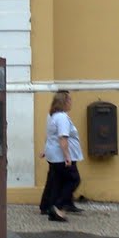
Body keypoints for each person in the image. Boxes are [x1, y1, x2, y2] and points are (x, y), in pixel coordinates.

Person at [39, 90, 84, 222]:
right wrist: (67, 156)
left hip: (54, 154)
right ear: (64, 102)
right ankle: (58, 206)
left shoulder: (53, 116)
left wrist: (45, 149)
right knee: (73, 180)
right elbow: (62, 138)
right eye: (69, 100)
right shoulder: (62, 117)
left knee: (57, 181)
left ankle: (52, 207)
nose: (71, 102)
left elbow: (50, 136)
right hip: (60, 156)